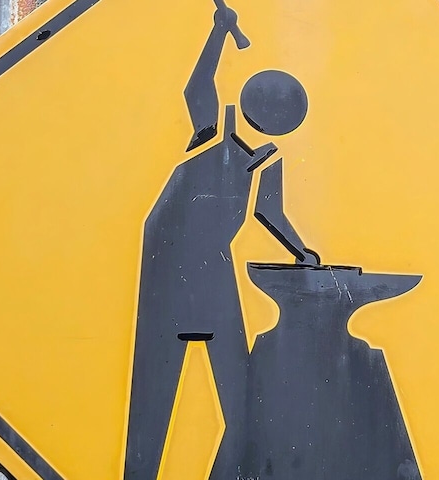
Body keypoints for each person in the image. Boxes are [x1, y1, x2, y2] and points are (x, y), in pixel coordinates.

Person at [122, 1, 318, 478]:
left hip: (214, 270)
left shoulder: (268, 158)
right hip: (166, 267)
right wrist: (217, 31)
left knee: (245, 406)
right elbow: (196, 86)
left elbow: (270, 213)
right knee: (153, 401)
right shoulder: (213, 130)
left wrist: (302, 252)